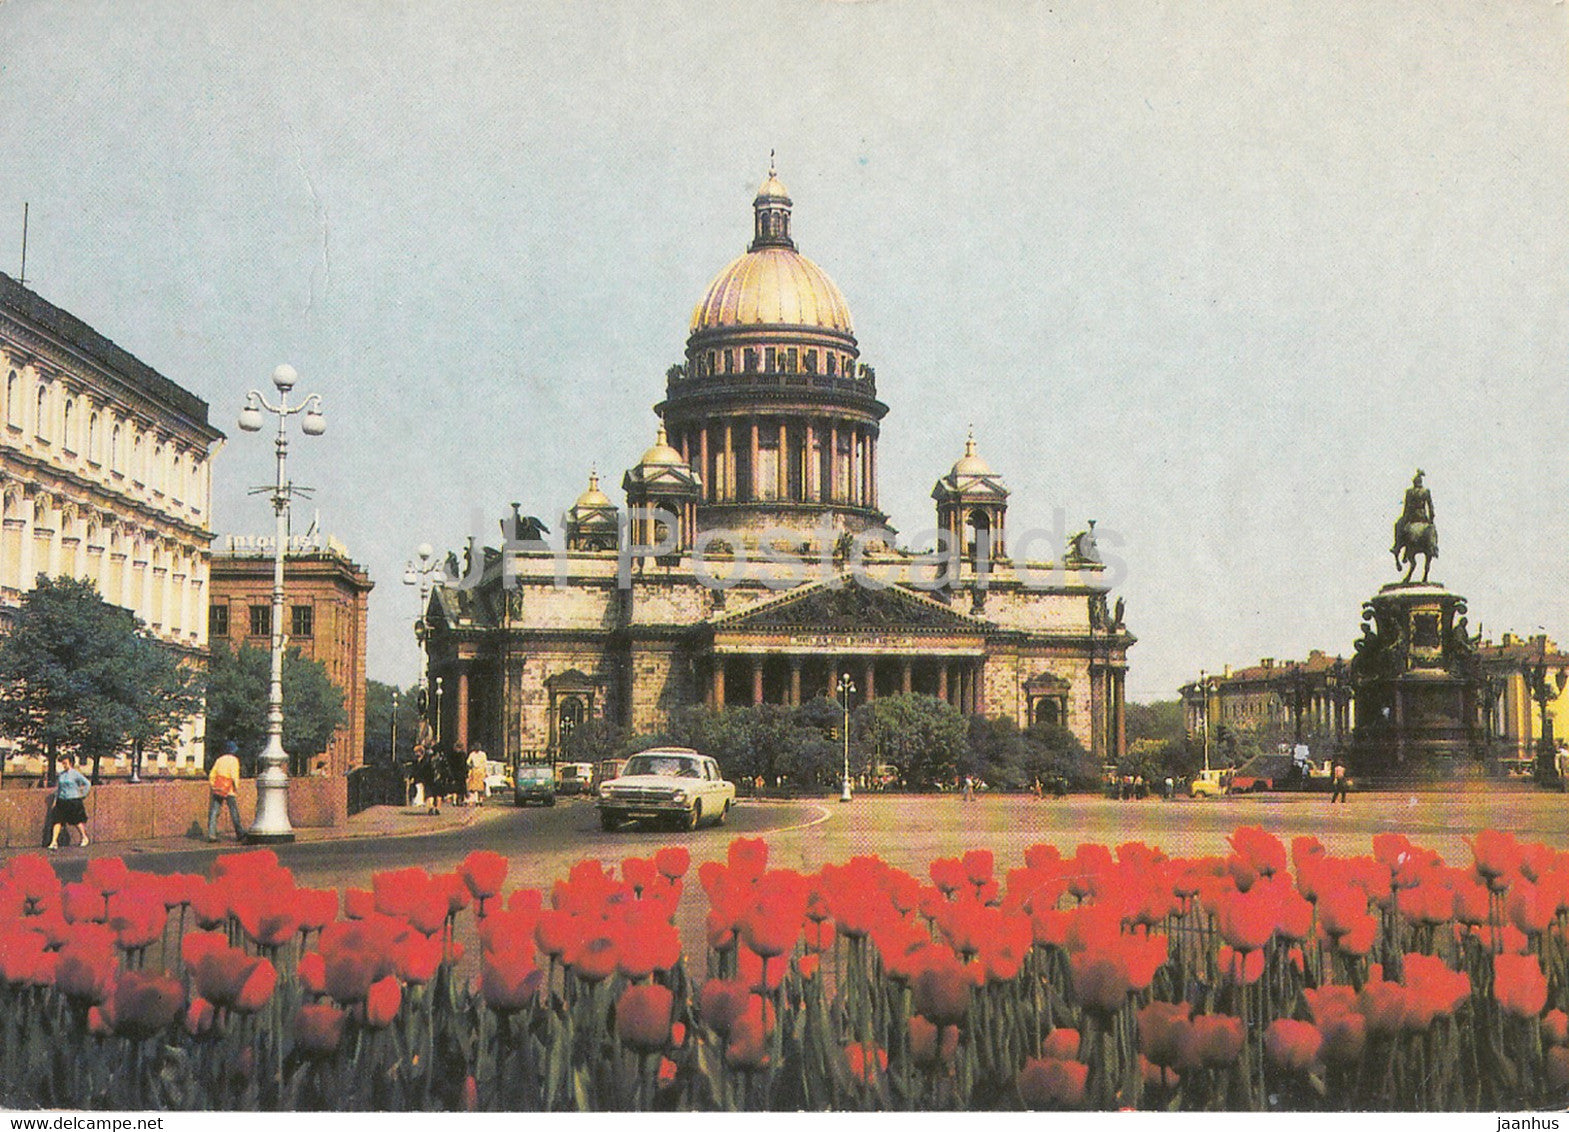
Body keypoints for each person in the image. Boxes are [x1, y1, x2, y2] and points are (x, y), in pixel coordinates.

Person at [48, 754, 91, 850]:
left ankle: (84, 837)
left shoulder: (75, 774)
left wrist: (82, 794)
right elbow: (59, 789)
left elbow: (87, 783)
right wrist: (55, 800)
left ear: (71, 763)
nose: (64, 765)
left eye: (65, 763)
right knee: (57, 821)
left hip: (73, 800)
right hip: (62, 801)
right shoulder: (61, 775)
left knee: (76, 821)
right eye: (63, 763)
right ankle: (54, 842)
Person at [207, 741, 245, 842]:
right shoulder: (234, 760)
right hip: (229, 789)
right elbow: (234, 775)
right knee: (234, 812)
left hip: (218, 788)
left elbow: (212, 774)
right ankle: (240, 833)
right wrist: (236, 787)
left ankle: (211, 834)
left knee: (214, 811)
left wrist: (213, 785)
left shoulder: (219, 759)